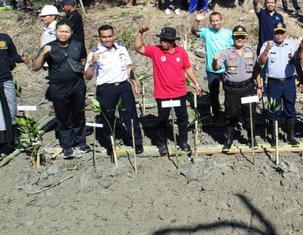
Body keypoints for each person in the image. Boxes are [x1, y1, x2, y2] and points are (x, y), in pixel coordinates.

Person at [134, 26, 202, 156]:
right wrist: (140, 33)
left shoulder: (181, 52)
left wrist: (196, 83)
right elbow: (138, 48)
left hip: (179, 93)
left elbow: (188, 69)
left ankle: (183, 142)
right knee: (162, 120)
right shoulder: (155, 51)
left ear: (172, 41)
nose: (163, 42)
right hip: (163, 94)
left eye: (166, 40)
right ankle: (162, 143)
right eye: (162, 40)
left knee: (182, 119)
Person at [32, 21, 88, 159]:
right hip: (58, 88)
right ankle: (67, 145)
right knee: (63, 117)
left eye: (66, 31)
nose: (64, 34)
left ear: (71, 33)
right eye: (61, 31)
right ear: (55, 31)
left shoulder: (78, 44)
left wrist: (82, 66)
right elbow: (35, 67)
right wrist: (43, 54)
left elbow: (83, 59)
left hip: (77, 86)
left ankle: (80, 142)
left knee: (78, 115)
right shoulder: (48, 47)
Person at [84, 25, 144, 154]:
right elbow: (88, 76)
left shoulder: (121, 49)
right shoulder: (95, 53)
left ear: (114, 35)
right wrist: (92, 63)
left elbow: (128, 67)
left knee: (130, 115)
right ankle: (110, 144)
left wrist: (134, 83)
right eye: (104, 37)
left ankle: (137, 142)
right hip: (106, 89)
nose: (107, 39)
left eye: (109, 36)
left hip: (123, 86)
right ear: (100, 37)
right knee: (108, 117)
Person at [212, 25, 261, 149]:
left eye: (242, 37)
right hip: (232, 89)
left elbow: (256, 70)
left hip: (248, 88)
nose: (239, 39)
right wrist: (214, 61)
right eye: (237, 37)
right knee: (231, 114)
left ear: (245, 38)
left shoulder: (251, 51)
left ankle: (251, 138)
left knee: (250, 114)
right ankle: (229, 140)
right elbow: (216, 68)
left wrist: (259, 87)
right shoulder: (226, 52)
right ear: (233, 38)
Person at [258, 23, 300, 145]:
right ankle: (274, 137)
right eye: (277, 33)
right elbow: (260, 62)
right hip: (273, 83)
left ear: (285, 33)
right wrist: (267, 49)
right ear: (273, 34)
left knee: (290, 108)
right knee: (274, 110)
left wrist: (301, 79)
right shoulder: (267, 44)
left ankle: (290, 136)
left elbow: (298, 61)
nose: (279, 35)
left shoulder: (291, 45)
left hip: (289, 82)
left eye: (281, 32)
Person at [191, 11, 233, 120]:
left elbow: (234, 49)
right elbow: (194, 31)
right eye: (213, 21)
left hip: (226, 68)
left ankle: (229, 114)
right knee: (214, 93)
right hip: (211, 69)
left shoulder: (229, 33)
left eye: (217, 20)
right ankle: (216, 114)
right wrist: (197, 20)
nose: (215, 23)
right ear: (210, 22)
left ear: (222, 20)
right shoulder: (207, 32)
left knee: (229, 92)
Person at [0, 33, 28, 149]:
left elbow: (13, 55)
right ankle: (2, 141)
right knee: (0, 114)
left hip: (5, 78)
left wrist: (21, 59)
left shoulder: (4, 38)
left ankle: (14, 137)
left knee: (11, 108)